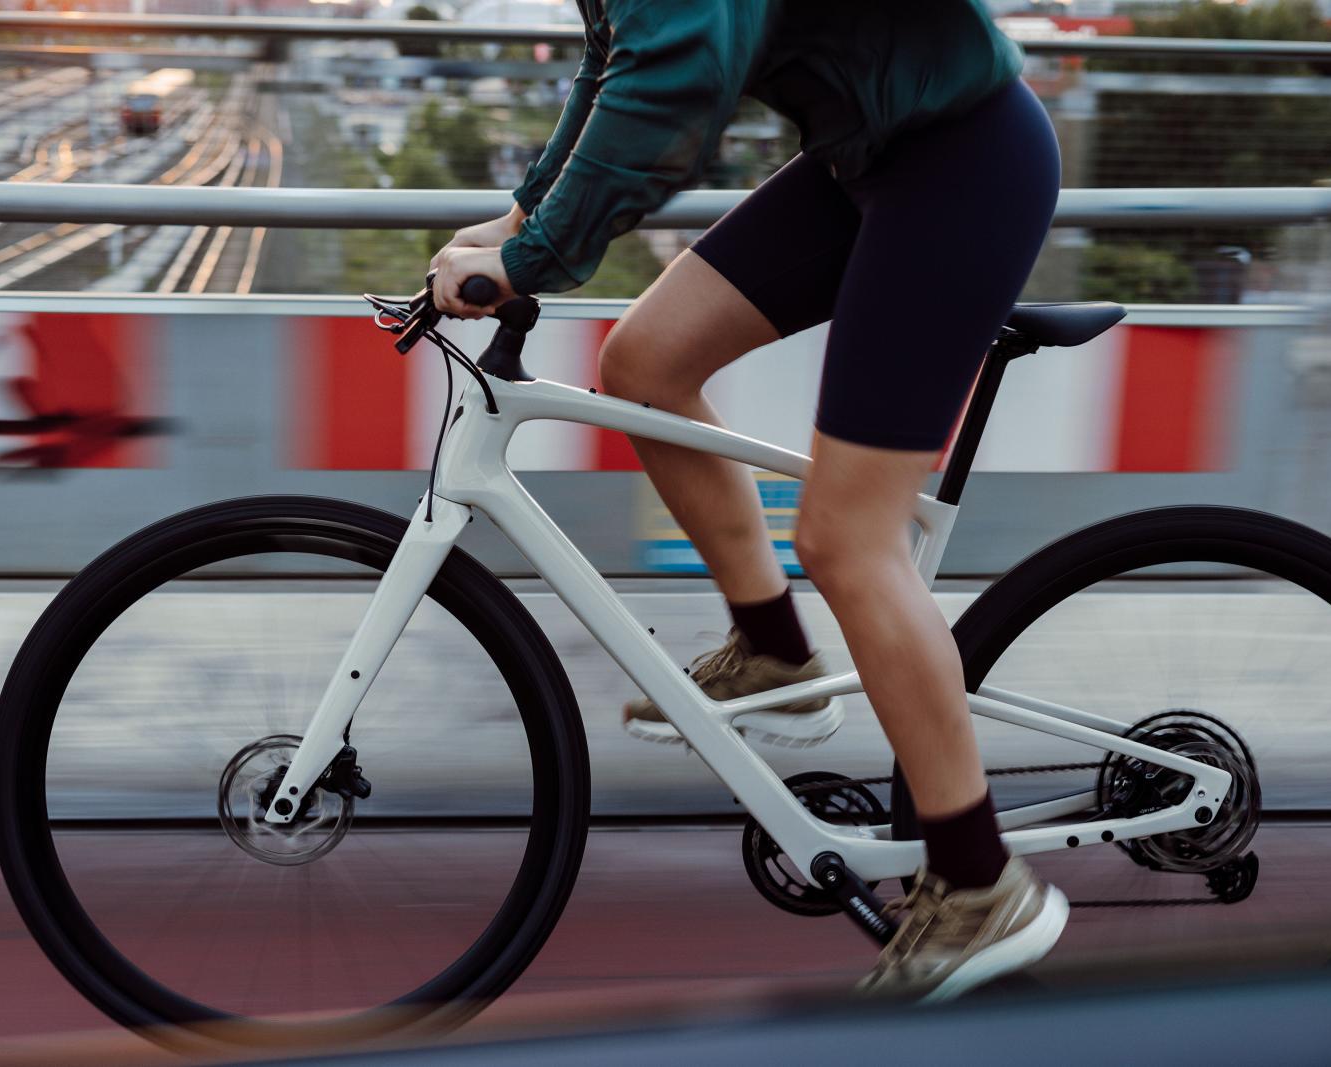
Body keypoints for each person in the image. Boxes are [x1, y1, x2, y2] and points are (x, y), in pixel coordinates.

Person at [431, 0, 1067, 1001]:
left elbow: (674, 85)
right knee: (642, 362)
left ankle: (981, 882)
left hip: (961, 164)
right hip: (870, 157)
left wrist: (532, 260)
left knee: (848, 538)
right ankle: (774, 648)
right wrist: (524, 219)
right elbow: (614, 62)